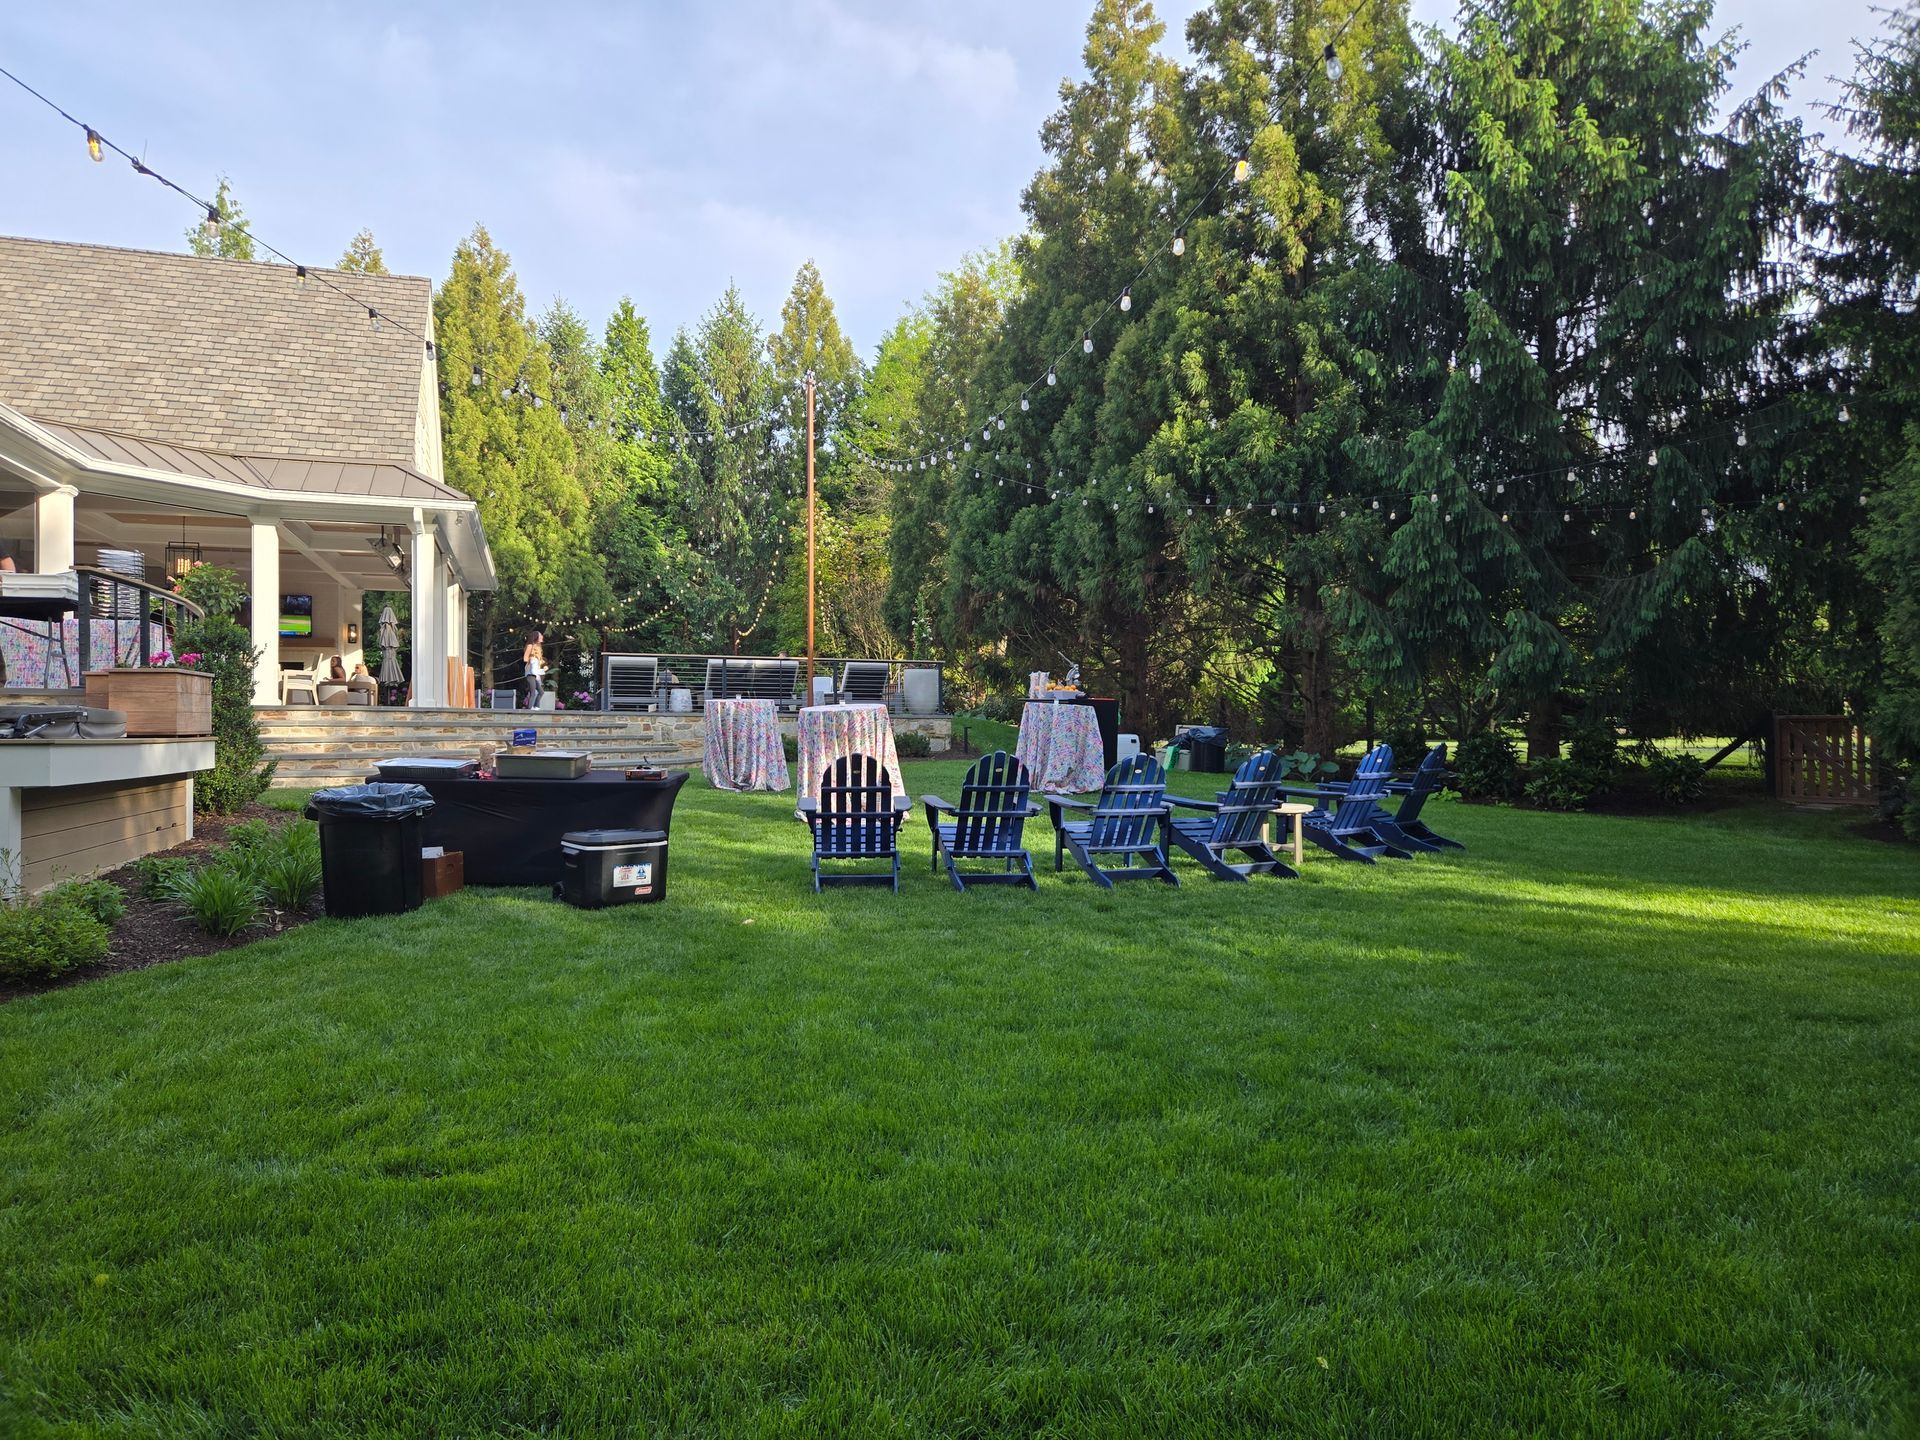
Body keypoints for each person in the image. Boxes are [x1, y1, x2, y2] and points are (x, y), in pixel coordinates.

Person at [521, 631, 546, 709]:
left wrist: (542, 664)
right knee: (533, 693)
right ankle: (529, 709)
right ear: (536, 637)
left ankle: (536, 707)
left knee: (541, 692)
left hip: (535, 672)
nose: (542, 636)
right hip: (530, 673)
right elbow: (525, 659)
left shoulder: (538, 647)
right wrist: (532, 659)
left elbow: (539, 661)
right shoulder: (530, 646)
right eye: (540, 635)